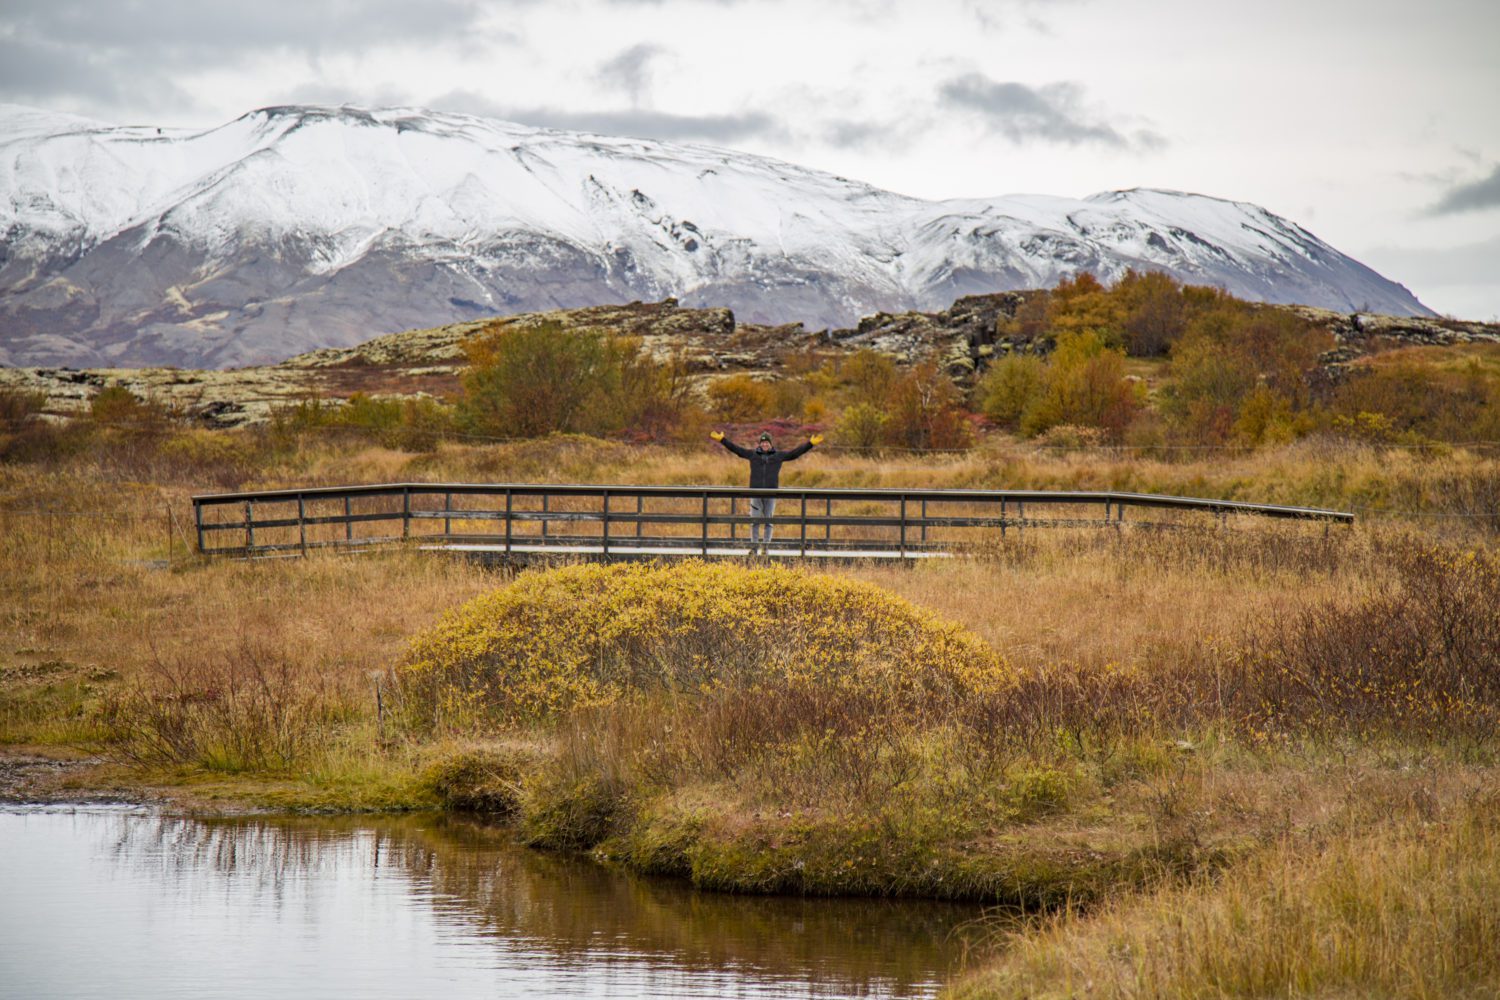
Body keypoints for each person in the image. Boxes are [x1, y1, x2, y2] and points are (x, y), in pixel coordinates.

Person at [710, 429, 823, 553]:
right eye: (762, 442)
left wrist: (810, 444)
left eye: (767, 443)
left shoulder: (778, 456)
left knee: (769, 522)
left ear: (770, 444)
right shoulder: (753, 455)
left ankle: (765, 548)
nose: (764, 444)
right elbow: (737, 450)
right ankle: (754, 548)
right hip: (755, 494)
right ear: (760, 444)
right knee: (755, 521)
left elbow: (794, 453)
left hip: (771, 494)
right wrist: (722, 440)